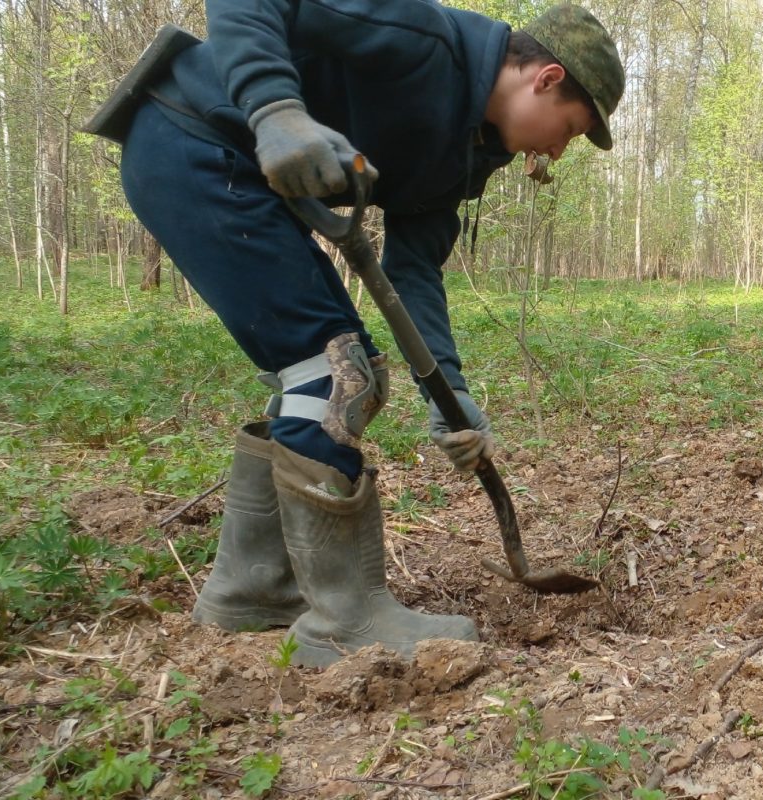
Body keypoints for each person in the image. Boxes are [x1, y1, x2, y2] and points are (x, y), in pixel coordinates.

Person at [87, 1, 624, 667]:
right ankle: (345, 619)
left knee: (341, 371)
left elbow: (415, 265)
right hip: (192, 142)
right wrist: (274, 110)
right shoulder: (422, 38)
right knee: (333, 373)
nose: (556, 151)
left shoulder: (467, 152)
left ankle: (252, 590)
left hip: (230, 174)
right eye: (569, 129)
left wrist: (448, 391)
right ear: (545, 78)